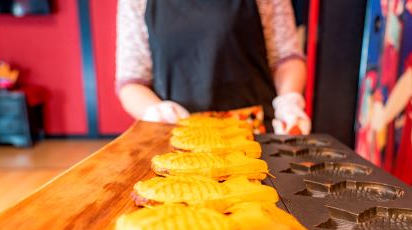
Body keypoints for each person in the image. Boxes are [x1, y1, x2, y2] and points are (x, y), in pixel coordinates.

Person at [116, 0, 310, 134]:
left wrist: (289, 100)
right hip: (176, 137)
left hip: (255, 133)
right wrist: (156, 111)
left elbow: (285, 56)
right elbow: (132, 80)